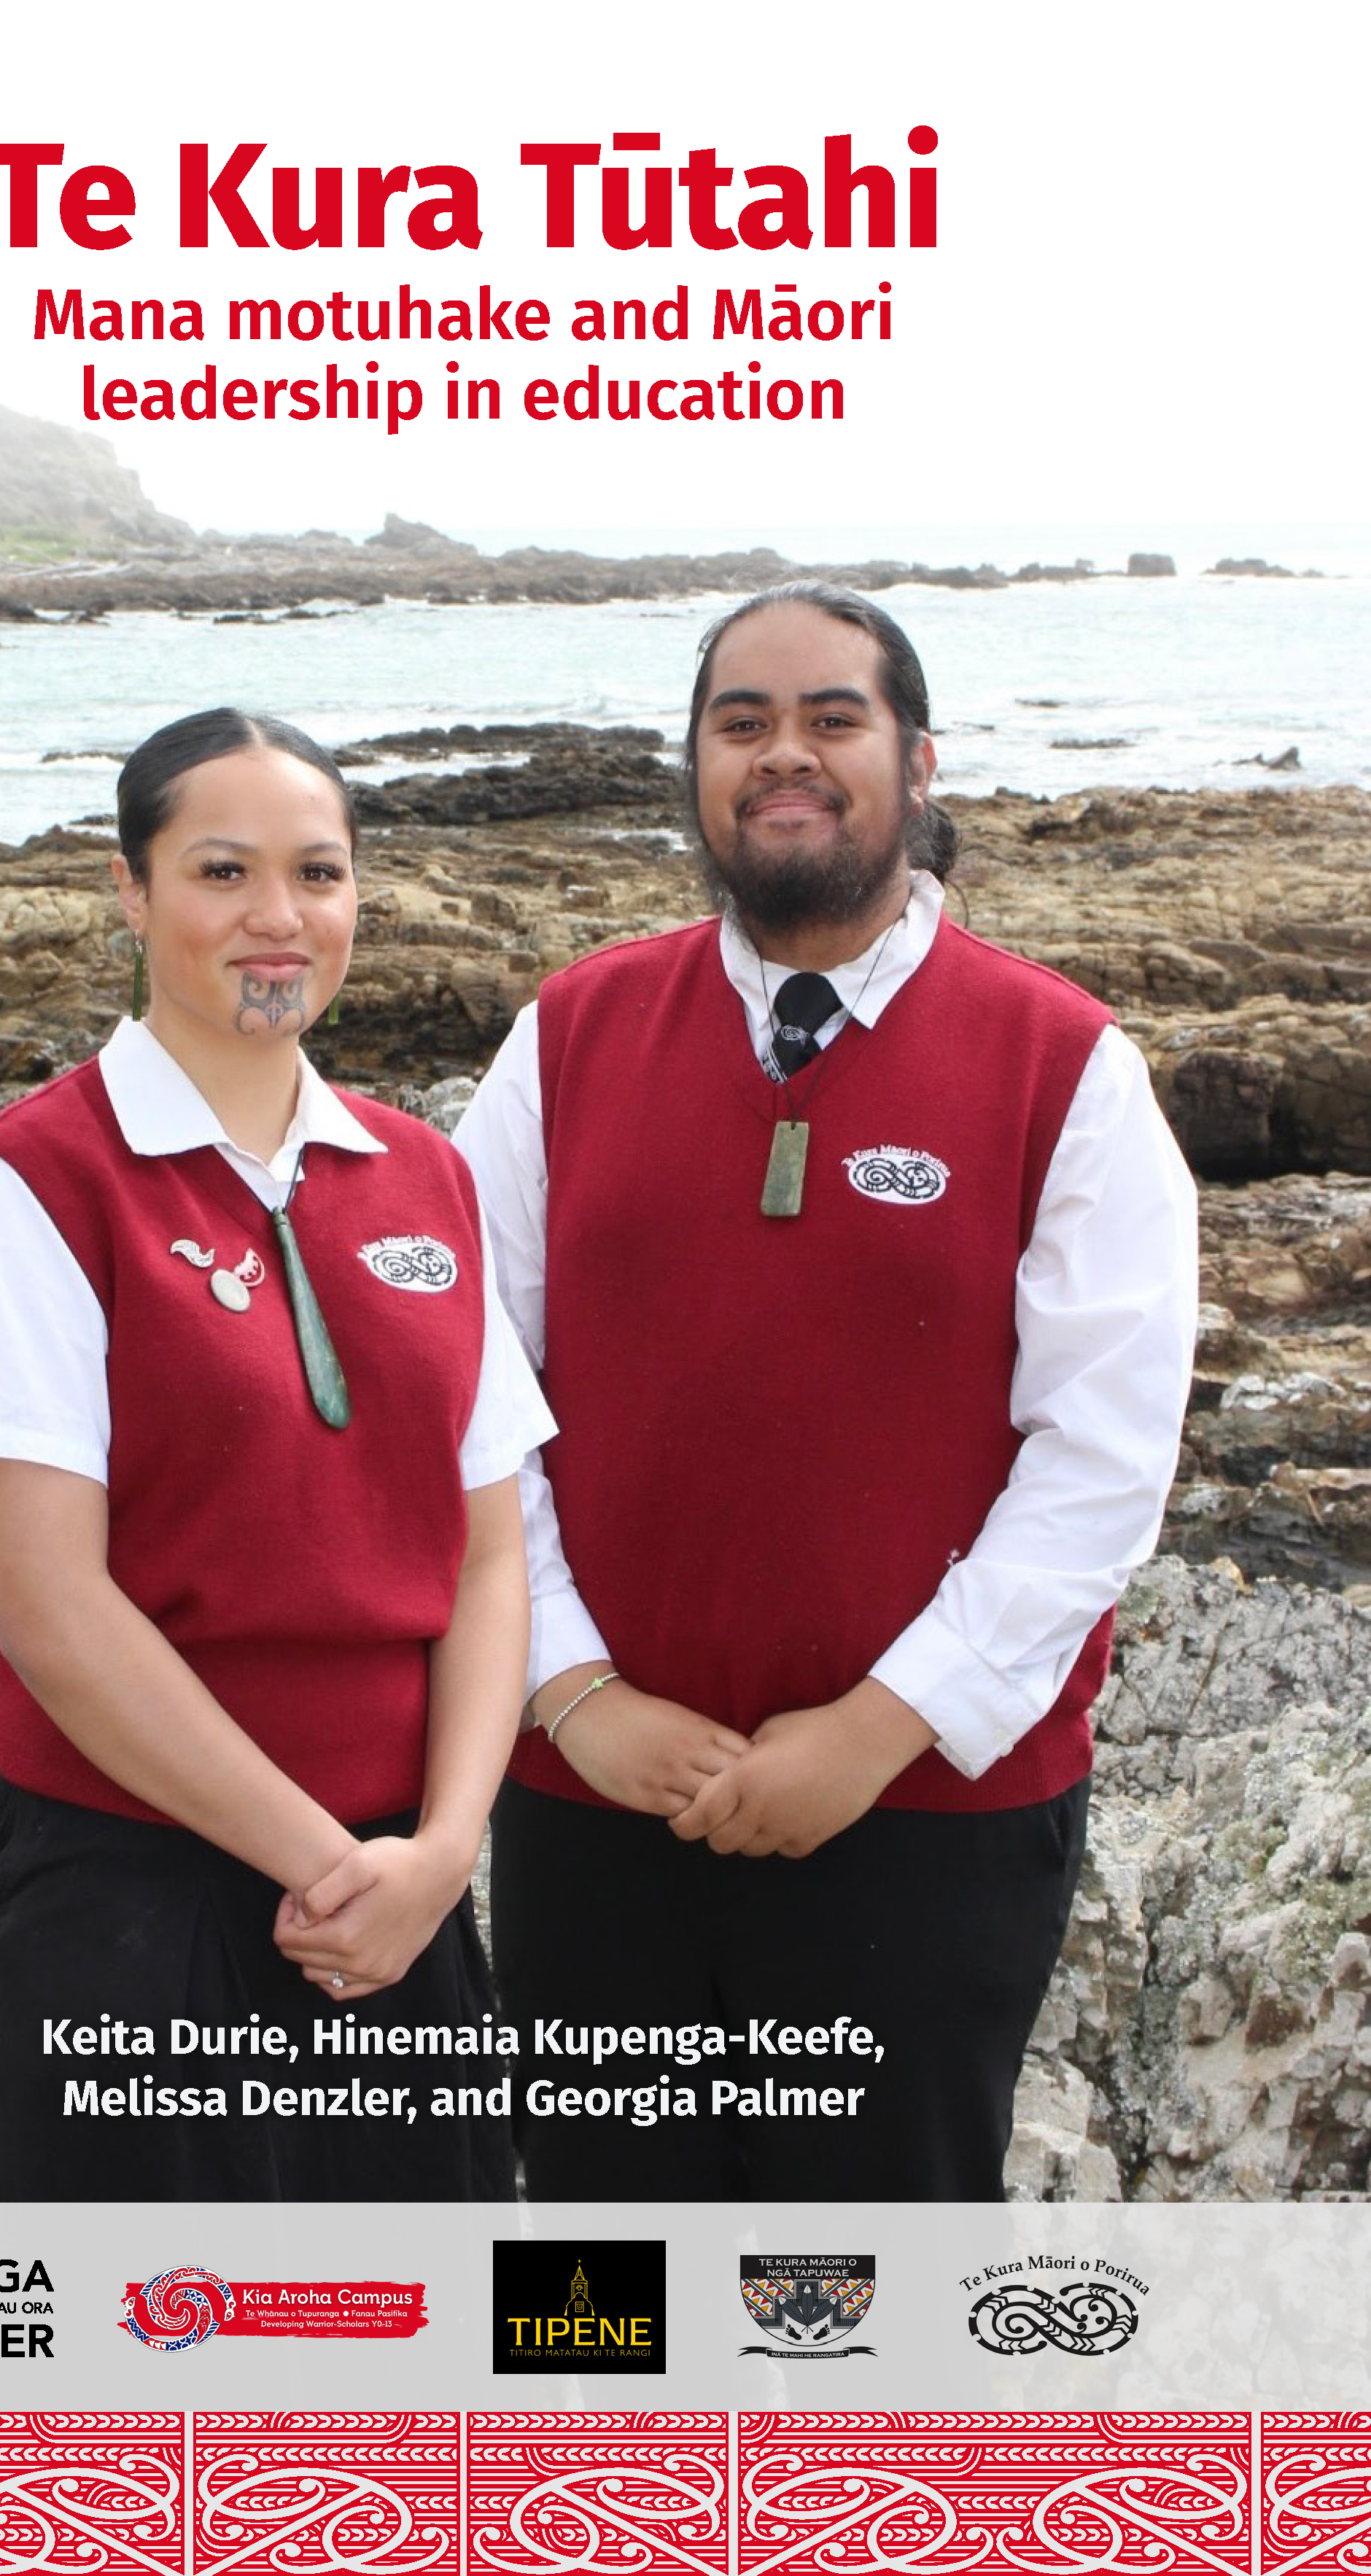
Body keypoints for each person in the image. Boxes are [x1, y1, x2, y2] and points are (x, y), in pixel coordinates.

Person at [454, 584, 1198, 2201]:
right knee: (601, 2288)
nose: (782, 755)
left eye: (829, 718)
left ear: (915, 763)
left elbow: (1101, 1455)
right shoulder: (565, 1035)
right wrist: (573, 1691)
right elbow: (467, 1387)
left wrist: (875, 1727)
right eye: (740, 723)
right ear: (696, 768)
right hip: (596, 1798)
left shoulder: (1061, 1063)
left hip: (923, 1814)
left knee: (864, 2304)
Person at [0, 707, 549, 2201]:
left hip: (395, 1902)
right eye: (220, 870)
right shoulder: (30, 1186)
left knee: (412, 2381)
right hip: (123, 1895)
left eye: (316, 873)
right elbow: (53, 1611)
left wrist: (443, 1849)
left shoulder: (425, 1174)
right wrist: (333, 1866)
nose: (276, 918)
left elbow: (490, 1549)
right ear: (129, 892)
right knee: (140, 2390)